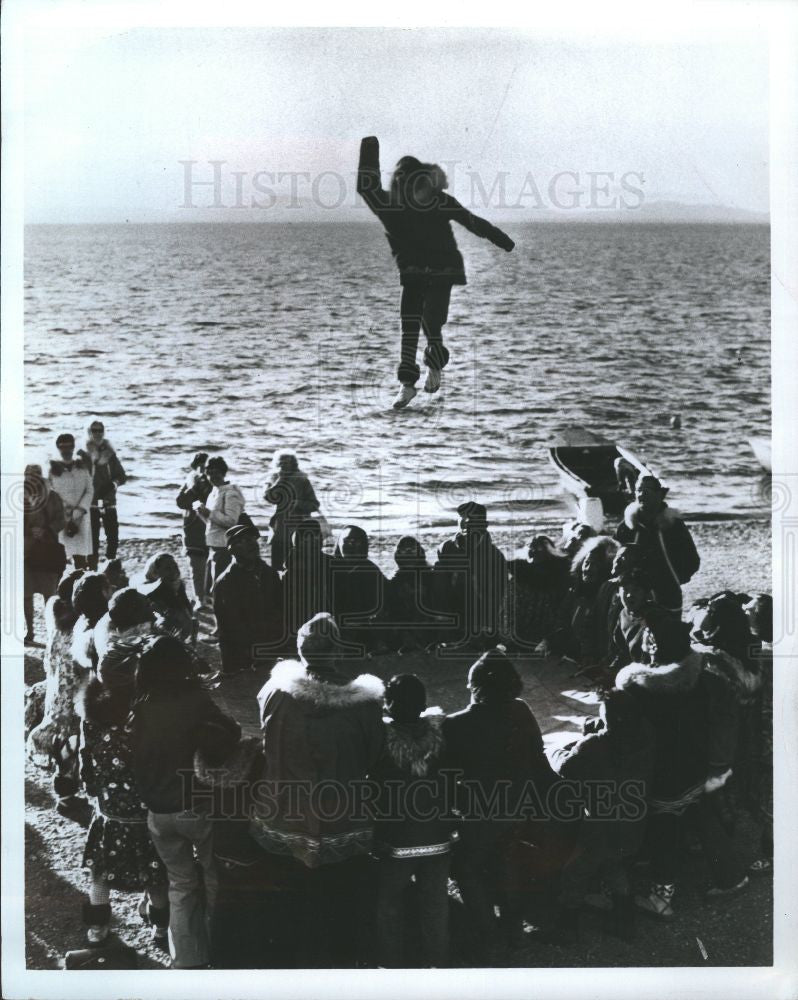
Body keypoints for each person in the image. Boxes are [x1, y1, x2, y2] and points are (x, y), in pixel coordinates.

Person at [250, 613, 384, 967]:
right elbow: (374, 757)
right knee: (340, 902)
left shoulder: (274, 693)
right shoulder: (365, 704)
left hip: (285, 816)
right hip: (342, 819)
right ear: (337, 650)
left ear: (300, 649)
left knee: (293, 901)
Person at [356, 136, 515, 409]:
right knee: (415, 324)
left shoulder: (424, 202)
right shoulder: (400, 205)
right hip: (421, 274)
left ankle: (429, 371)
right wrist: (369, 149)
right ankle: (409, 384)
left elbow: (471, 221)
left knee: (428, 323)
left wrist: (502, 240)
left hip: (440, 271)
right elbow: (366, 188)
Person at [614, 616, 747, 919]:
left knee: (663, 830)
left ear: (652, 648)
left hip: (661, 776)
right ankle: (732, 876)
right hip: (697, 767)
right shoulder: (705, 678)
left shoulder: (638, 688)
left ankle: (662, 896)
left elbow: (627, 733)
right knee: (702, 815)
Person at [131, 635, 240, 969]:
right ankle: (218, 947)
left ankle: (187, 960)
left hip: (157, 812)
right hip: (195, 805)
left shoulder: (141, 705)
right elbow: (231, 732)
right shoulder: (196, 699)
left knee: (180, 883)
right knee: (212, 875)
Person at [442, 648, 558, 961]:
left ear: (476, 686)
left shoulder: (455, 723)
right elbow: (539, 759)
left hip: (480, 812)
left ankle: (489, 936)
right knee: (507, 862)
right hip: (518, 805)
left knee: (466, 868)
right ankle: (515, 931)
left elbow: (444, 777)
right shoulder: (520, 709)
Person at [549, 689, 655, 943]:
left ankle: (567, 929)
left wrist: (561, 749)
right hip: (633, 821)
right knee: (614, 863)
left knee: (575, 872)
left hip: (600, 826)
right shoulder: (647, 736)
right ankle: (624, 920)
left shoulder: (594, 745)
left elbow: (566, 768)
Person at [77, 676, 169, 948]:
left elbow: (85, 761)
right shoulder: (143, 725)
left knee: (100, 873)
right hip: (145, 817)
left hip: (109, 817)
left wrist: (93, 788)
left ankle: (97, 926)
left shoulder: (90, 722)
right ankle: (161, 927)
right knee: (154, 875)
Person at [371, 674, 453, 968]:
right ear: (422, 705)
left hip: (397, 838)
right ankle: (437, 963)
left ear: (389, 704)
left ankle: (391, 964)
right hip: (438, 835)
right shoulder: (442, 736)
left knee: (389, 904)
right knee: (435, 905)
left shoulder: (380, 739)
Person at [27, 568, 91, 823]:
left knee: (65, 751)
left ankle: (67, 795)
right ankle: (66, 798)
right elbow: (73, 669)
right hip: (70, 701)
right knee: (69, 750)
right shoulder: (74, 630)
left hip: (58, 696)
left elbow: (49, 663)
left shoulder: (58, 624)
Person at [614, 474, 700, 614]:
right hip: (632, 597)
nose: (642, 494)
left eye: (647, 489)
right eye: (638, 490)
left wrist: (672, 580)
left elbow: (692, 560)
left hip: (666, 596)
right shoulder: (627, 526)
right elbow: (614, 557)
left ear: (660, 494)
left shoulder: (674, 526)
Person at [433, 502, 508, 652]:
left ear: (485, 524)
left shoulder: (495, 556)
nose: (467, 522)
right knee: (438, 571)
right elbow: (441, 586)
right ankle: (449, 630)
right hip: (455, 605)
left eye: (473, 518)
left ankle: (481, 634)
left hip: (482, 608)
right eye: (463, 517)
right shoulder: (446, 548)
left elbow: (499, 596)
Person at [213, 521, 284, 675]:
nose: (250, 544)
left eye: (252, 539)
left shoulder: (269, 574)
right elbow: (230, 626)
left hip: (269, 647)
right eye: (242, 542)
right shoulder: (226, 581)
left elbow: (280, 608)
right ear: (231, 550)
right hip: (241, 655)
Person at [23, 463, 66, 644]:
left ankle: (51, 631)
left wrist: (46, 530)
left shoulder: (53, 496)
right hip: (25, 552)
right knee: (26, 594)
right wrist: (27, 530)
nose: (32, 478)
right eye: (29, 475)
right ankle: (30, 632)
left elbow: (61, 520)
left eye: (36, 474)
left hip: (47, 550)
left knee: (50, 595)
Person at [505, 535, 570, 652]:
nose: (534, 552)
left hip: (543, 636)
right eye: (532, 548)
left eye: (539, 549)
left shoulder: (559, 576)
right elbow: (509, 606)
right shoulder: (519, 574)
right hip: (521, 633)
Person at [330, 525, 387, 656]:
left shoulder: (371, 570)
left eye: (358, 542)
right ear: (339, 544)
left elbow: (384, 601)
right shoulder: (328, 567)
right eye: (347, 541)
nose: (352, 546)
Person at [194, 456, 245, 597]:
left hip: (224, 546)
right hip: (213, 546)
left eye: (216, 472)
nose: (213, 476)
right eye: (209, 472)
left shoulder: (230, 492)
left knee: (221, 590)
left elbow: (231, 521)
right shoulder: (214, 492)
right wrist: (202, 514)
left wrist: (209, 513)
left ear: (223, 473)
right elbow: (214, 524)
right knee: (212, 590)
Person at [262, 449, 320, 572]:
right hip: (278, 530)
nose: (283, 466)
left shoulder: (302, 480)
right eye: (280, 463)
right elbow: (269, 497)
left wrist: (298, 503)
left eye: (287, 463)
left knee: (297, 567)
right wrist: (280, 480)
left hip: (298, 529)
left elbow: (314, 504)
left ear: (293, 464)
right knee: (276, 567)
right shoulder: (273, 478)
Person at [381, 536, 441, 653]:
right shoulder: (395, 579)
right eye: (403, 551)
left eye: (411, 551)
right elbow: (392, 609)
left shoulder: (432, 576)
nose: (407, 554)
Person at [83, 419, 127, 569]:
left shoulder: (110, 454)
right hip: (91, 503)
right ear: (88, 432)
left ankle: (110, 567)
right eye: (93, 430)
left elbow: (122, 476)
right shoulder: (83, 455)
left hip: (108, 501)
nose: (97, 433)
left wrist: (112, 485)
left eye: (100, 430)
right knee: (92, 540)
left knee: (113, 538)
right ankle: (91, 569)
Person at [48, 433, 94, 569]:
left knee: (80, 557)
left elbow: (89, 490)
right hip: (62, 517)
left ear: (73, 447)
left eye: (69, 447)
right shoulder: (52, 470)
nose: (66, 450)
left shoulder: (82, 467)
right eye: (63, 447)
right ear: (58, 448)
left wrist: (80, 510)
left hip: (81, 517)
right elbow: (51, 493)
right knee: (61, 555)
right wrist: (65, 512)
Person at [282, 518, 334, 638]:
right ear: (298, 542)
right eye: (308, 536)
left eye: (317, 534)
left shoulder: (330, 564)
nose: (315, 539)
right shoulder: (290, 572)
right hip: (299, 626)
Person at [176, 452, 212, 608]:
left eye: (206, 466)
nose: (203, 469)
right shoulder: (190, 481)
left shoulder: (215, 483)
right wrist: (194, 489)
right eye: (200, 466)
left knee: (210, 564)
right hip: (193, 528)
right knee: (197, 565)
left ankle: (207, 595)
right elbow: (181, 502)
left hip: (211, 528)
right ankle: (199, 598)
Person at [138, 551, 197, 643]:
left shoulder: (177, 584)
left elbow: (185, 607)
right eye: (167, 568)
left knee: (193, 621)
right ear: (156, 572)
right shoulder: (152, 589)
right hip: (153, 631)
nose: (173, 571)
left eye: (175, 567)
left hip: (173, 625)